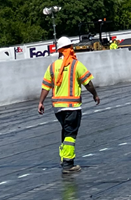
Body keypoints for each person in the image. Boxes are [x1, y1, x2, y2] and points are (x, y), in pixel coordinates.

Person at [38, 36, 100, 174]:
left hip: (57, 108)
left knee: (66, 131)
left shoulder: (53, 66)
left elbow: (46, 86)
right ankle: (68, 163)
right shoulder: (75, 64)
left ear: (59, 50)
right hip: (72, 107)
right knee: (71, 134)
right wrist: (94, 94)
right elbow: (88, 83)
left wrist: (41, 102)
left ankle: (63, 157)